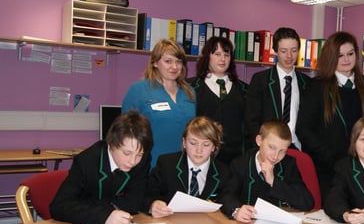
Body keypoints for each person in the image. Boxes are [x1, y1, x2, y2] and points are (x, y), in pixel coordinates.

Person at [297, 31, 364, 198]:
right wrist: (329, 157)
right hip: (328, 168)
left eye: (350, 54)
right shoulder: (317, 86)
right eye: (340, 55)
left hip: (361, 166)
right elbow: (304, 129)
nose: (346, 59)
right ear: (331, 57)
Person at [50, 111, 153, 224]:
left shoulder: (143, 160)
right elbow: (59, 206)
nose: (133, 161)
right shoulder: (87, 161)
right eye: (126, 153)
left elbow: (134, 201)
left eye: (139, 154)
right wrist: (104, 216)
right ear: (111, 144)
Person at [220, 119, 314, 223]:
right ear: (259, 141)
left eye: (282, 151)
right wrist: (236, 210)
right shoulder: (240, 164)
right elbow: (226, 195)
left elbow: (307, 202)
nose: (275, 156)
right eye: (271, 147)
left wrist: (274, 182)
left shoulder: (288, 165)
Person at [122, 38, 195, 166]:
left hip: (183, 166)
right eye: (168, 61)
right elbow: (126, 133)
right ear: (155, 62)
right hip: (150, 165)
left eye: (178, 62)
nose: (174, 67)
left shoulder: (190, 92)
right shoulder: (139, 90)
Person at [146, 116, 231, 218]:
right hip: (171, 223)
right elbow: (147, 192)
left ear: (214, 147)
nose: (199, 150)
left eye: (206, 144)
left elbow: (228, 199)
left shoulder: (223, 172)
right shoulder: (167, 164)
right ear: (184, 142)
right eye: (193, 143)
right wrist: (153, 204)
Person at [245, 27, 310, 150]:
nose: (289, 56)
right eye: (284, 51)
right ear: (275, 51)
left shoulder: (307, 83)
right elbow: (251, 121)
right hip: (269, 149)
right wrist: (261, 148)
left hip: (298, 148)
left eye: (294, 50)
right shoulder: (260, 80)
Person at [189, 36, 247, 164]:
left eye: (226, 55)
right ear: (207, 57)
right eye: (217, 54)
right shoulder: (191, 88)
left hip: (236, 159)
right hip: (201, 157)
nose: (222, 59)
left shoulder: (245, 90)